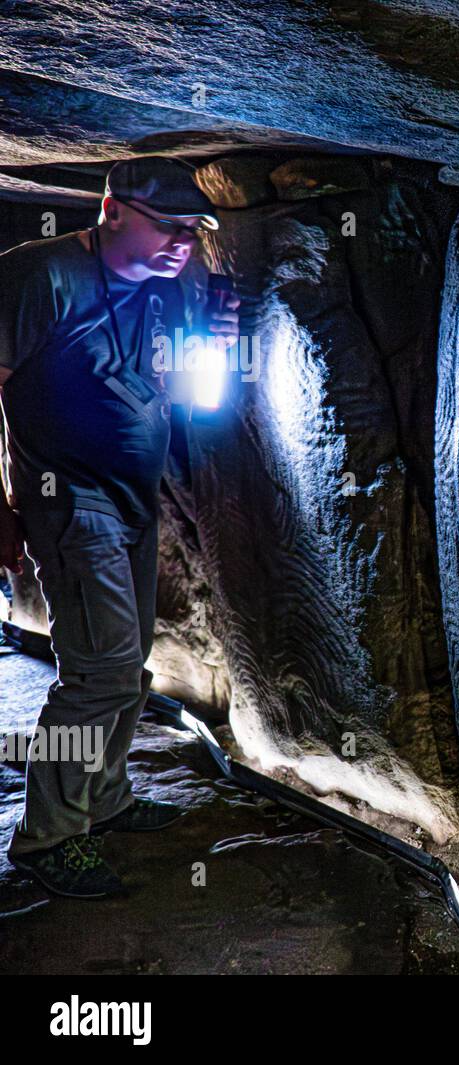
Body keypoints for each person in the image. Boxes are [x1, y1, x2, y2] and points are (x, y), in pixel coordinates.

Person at [0, 156, 239, 898]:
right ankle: (46, 837)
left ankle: (101, 802)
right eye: (166, 225)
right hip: (71, 502)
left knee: (128, 666)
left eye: (191, 230)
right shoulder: (41, 277)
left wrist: (218, 339)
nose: (179, 242)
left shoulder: (161, 296)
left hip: (132, 502)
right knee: (97, 672)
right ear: (112, 212)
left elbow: (186, 393)